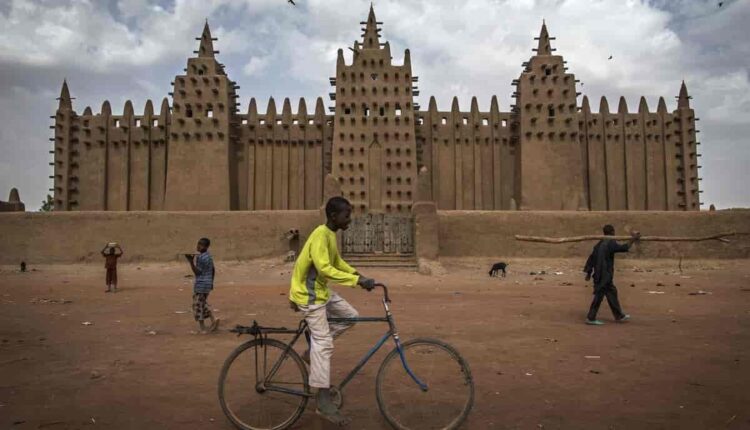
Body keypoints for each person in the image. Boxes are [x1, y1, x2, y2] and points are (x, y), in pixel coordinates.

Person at [288, 196, 376, 425]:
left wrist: (358, 275)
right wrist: (356, 281)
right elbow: (325, 270)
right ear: (334, 216)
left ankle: (312, 353)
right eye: (346, 215)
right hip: (309, 295)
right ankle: (323, 401)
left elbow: (337, 263)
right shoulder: (320, 235)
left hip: (321, 292)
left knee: (351, 317)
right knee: (324, 344)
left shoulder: (329, 235)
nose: (350, 219)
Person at [583, 225, 641, 325]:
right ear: (613, 232)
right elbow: (624, 247)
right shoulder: (610, 243)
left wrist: (588, 272)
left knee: (612, 292)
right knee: (599, 295)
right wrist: (633, 239)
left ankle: (619, 315)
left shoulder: (600, 243)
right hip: (604, 275)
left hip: (601, 274)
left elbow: (591, 258)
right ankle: (591, 318)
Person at [184, 238, 219, 333]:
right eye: (198, 244)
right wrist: (211, 282)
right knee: (202, 303)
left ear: (206, 247)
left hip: (201, 284)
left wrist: (191, 261)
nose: (198, 246)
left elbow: (198, 272)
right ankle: (212, 320)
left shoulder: (201, 257)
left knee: (198, 306)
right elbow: (213, 269)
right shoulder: (208, 256)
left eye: (201, 245)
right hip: (207, 284)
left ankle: (204, 326)